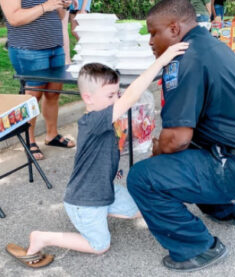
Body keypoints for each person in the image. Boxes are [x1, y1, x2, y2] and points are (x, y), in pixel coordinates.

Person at [127, 0, 235, 272]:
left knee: (143, 178)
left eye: (154, 33)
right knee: (188, 151)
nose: (150, 41)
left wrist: (157, 153)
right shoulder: (210, 45)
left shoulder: (185, 59)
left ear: (174, 29)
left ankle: (198, 248)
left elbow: (176, 139)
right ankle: (226, 210)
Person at [5, 43, 189, 268]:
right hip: (85, 202)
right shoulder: (94, 120)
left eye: (116, 94)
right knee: (100, 245)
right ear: (88, 98)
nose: (116, 99)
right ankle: (42, 237)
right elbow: (131, 97)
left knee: (141, 206)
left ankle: (103, 215)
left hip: (104, 190)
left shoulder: (100, 118)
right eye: (111, 95)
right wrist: (161, 62)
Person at [0, 0, 76, 160]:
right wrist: (45, 6)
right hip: (28, 48)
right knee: (33, 95)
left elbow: (60, 15)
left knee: (54, 93)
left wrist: (64, 4)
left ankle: (51, 135)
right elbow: (14, 18)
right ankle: (29, 141)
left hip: (55, 46)